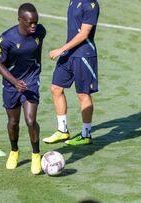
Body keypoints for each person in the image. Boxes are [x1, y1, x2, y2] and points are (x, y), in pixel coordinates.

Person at [0, 3, 46, 175]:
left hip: (31, 80)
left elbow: (37, 51)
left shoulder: (40, 32)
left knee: (30, 120)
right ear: (20, 20)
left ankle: (36, 155)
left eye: (36, 22)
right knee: (13, 122)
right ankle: (14, 151)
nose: (34, 26)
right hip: (11, 83)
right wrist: (15, 82)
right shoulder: (7, 39)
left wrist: (37, 71)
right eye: (30, 23)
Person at [43, 0, 100, 145]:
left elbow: (84, 34)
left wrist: (61, 49)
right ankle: (62, 131)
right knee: (56, 88)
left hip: (84, 55)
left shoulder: (91, 5)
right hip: (69, 54)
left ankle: (86, 134)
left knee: (83, 94)